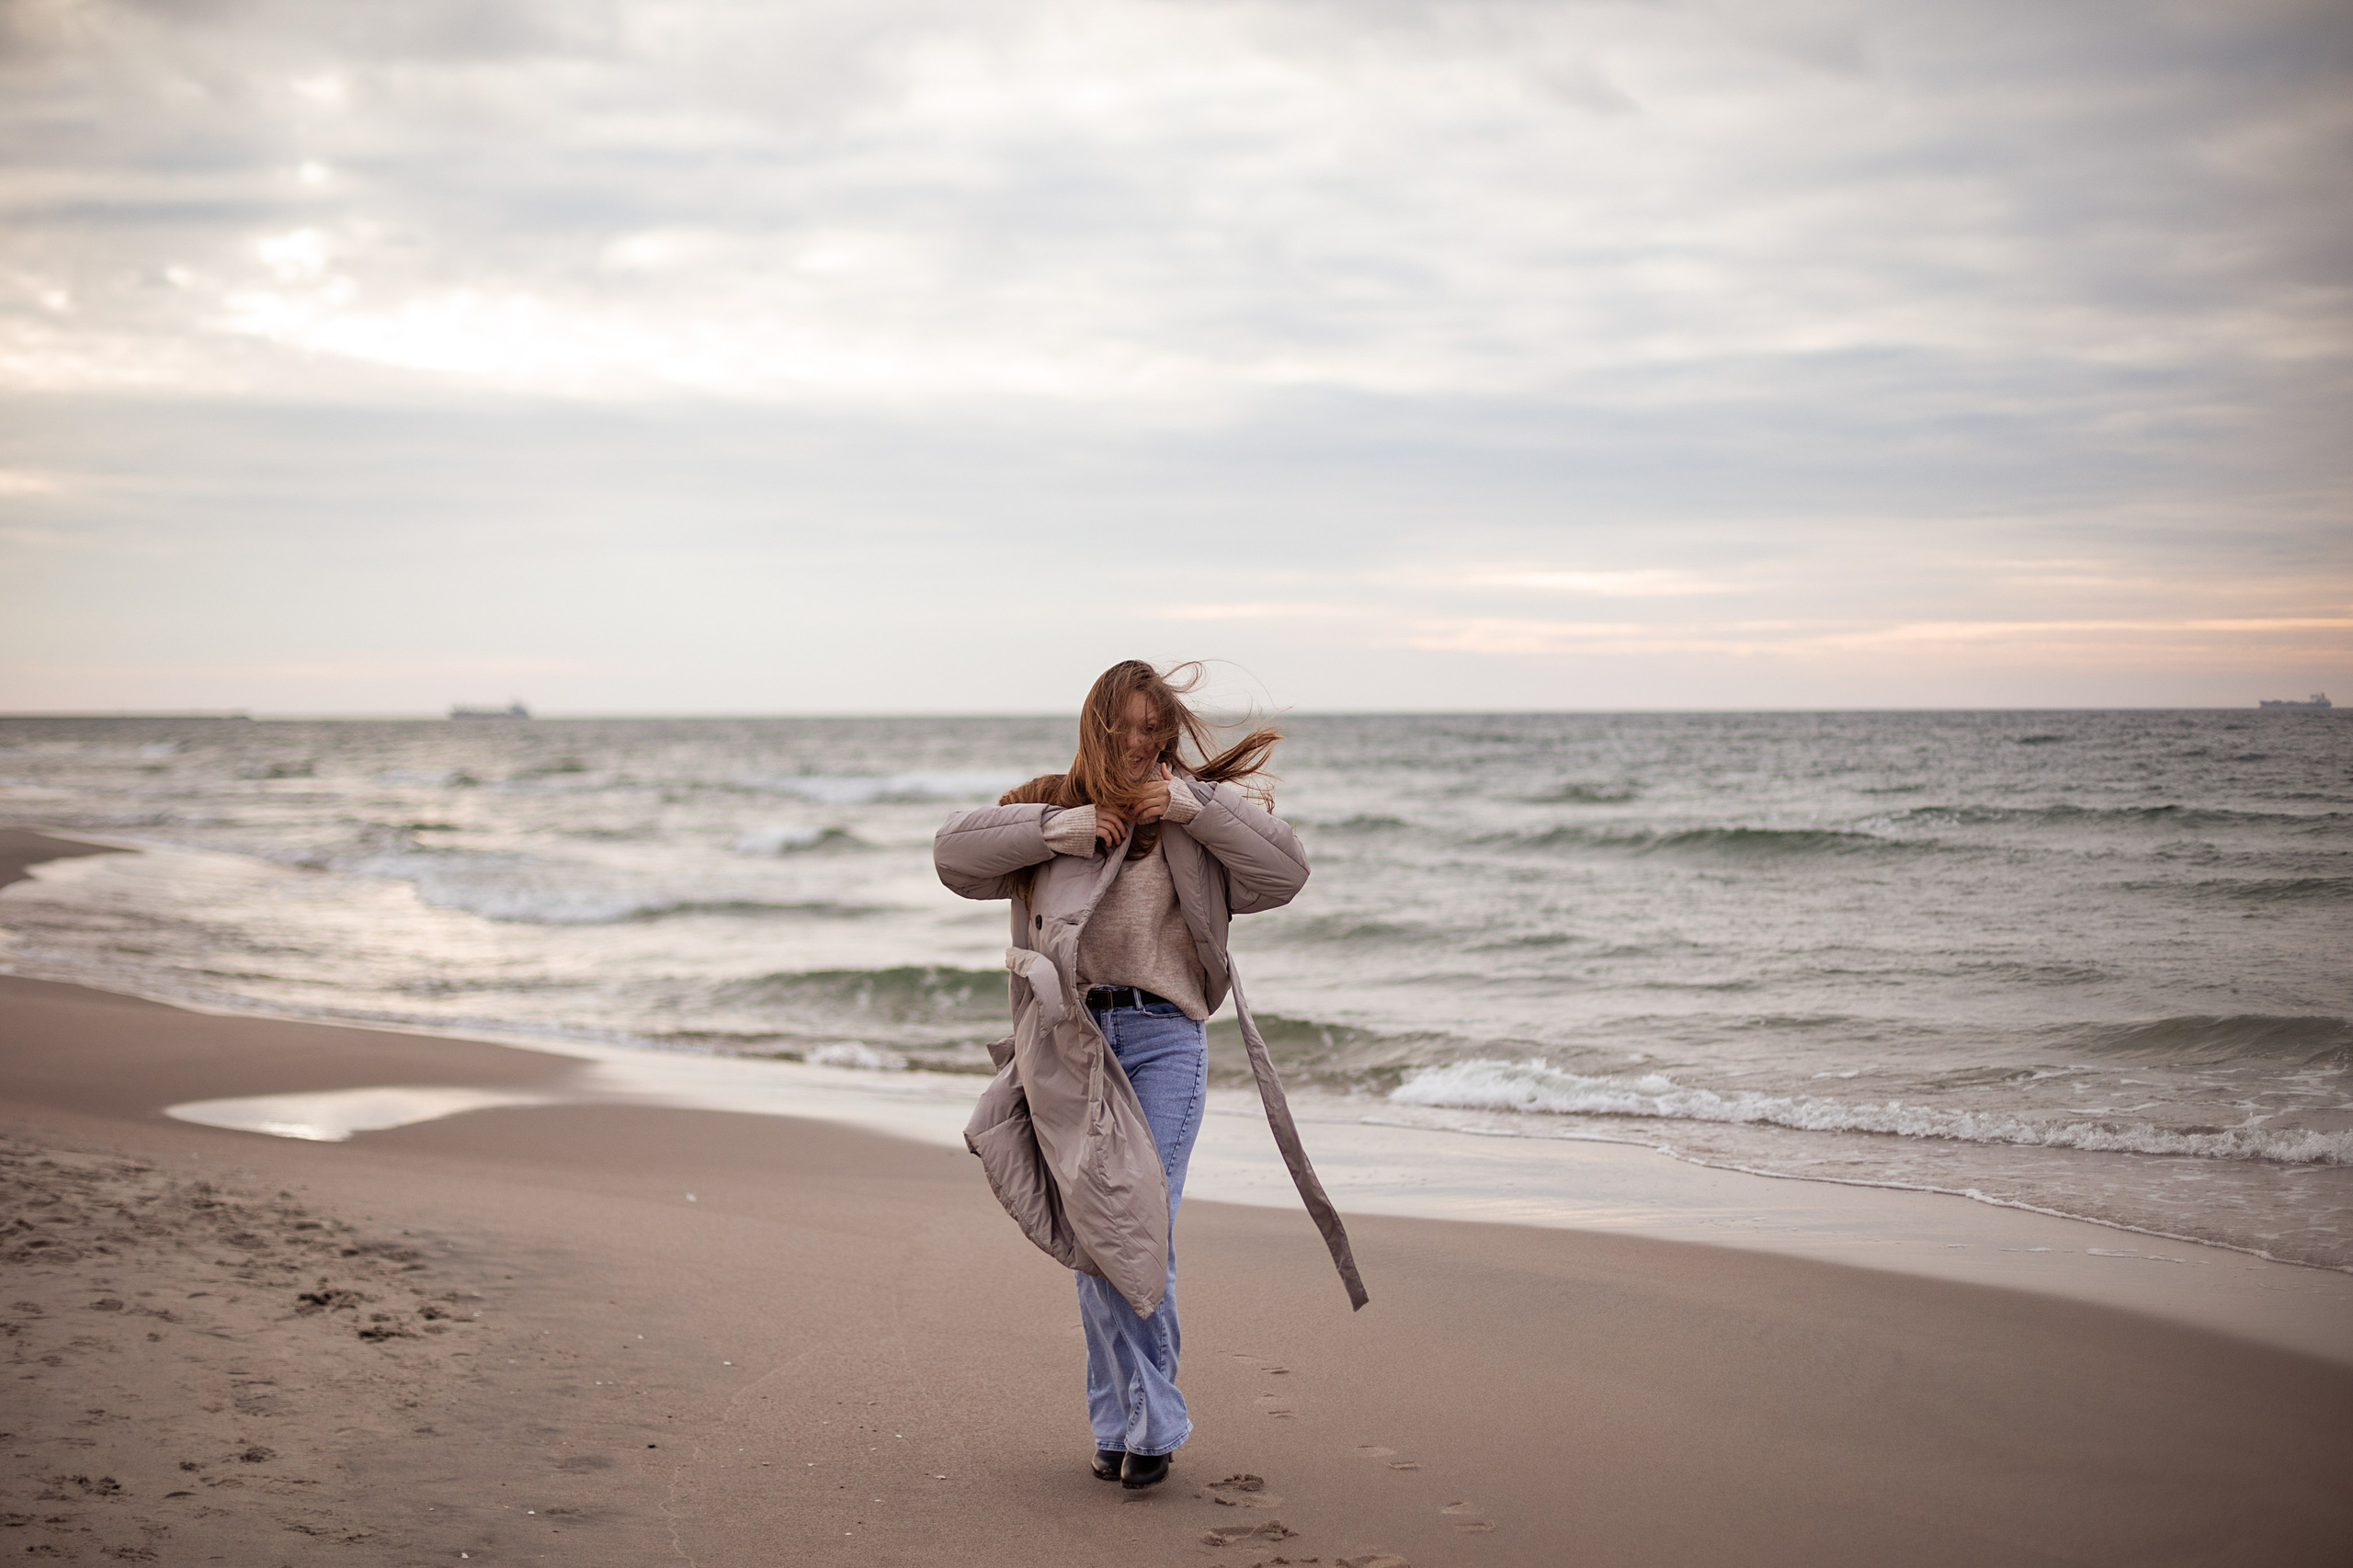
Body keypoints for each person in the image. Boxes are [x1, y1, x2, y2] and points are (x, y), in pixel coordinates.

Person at [933, 660, 1367, 1492]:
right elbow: (955, 856)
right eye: (1125, 727)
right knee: (1105, 1235)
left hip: (1166, 1040)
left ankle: (1151, 1425)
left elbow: (1287, 873)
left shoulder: (1195, 815)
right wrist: (1058, 830)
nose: (1141, 744)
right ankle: (1120, 1423)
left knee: (1139, 1225)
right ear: (1096, 727)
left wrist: (1195, 806)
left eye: (1154, 729)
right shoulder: (1049, 800)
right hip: (1074, 1047)